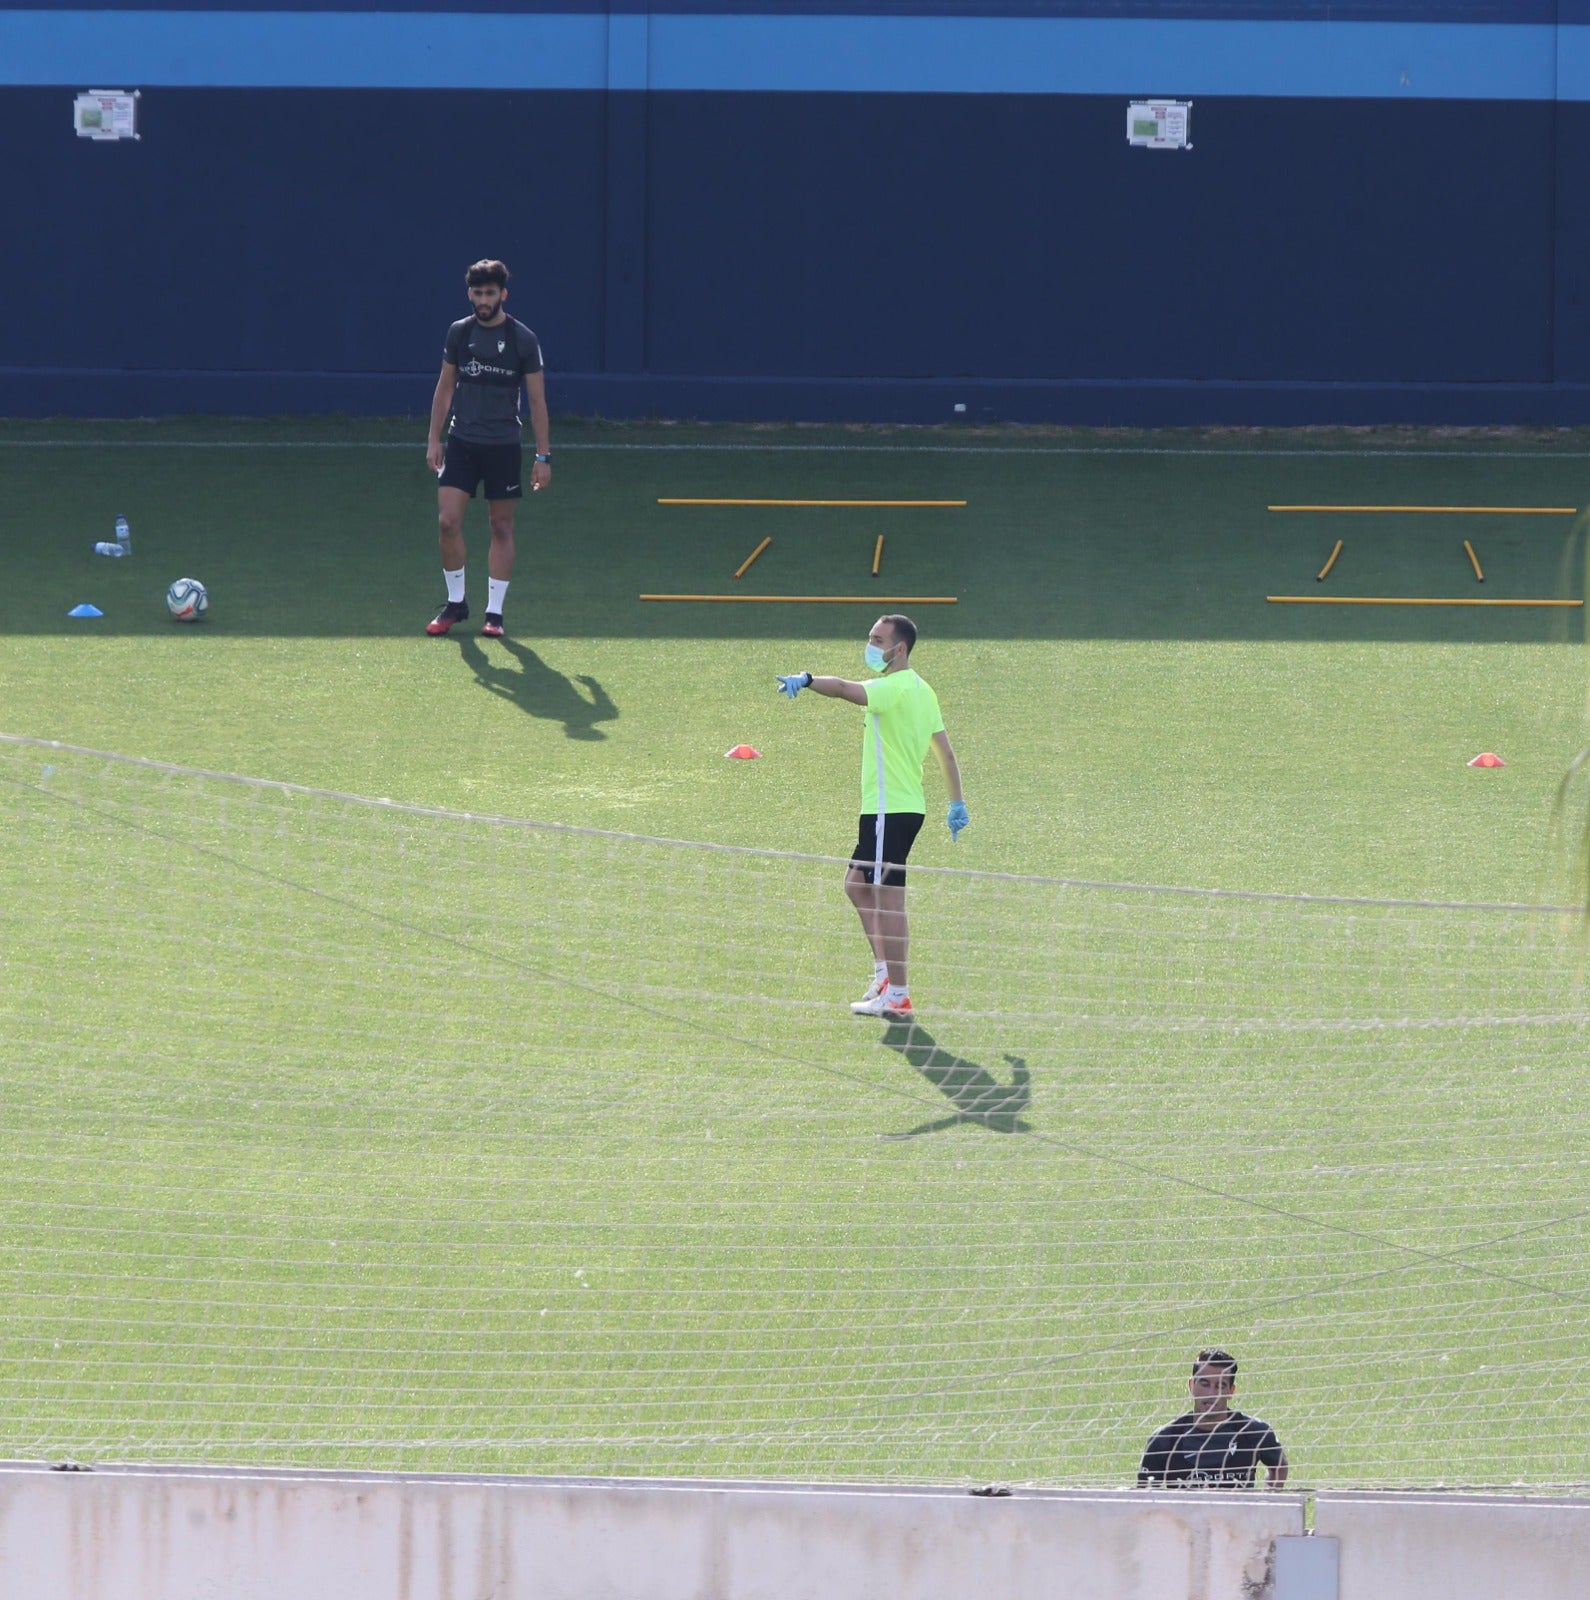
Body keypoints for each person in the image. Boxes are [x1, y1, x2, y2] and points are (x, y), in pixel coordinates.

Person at [777, 614, 967, 1021]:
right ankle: (885, 974)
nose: (870, 645)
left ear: (898, 650)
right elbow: (946, 753)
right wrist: (956, 803)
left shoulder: (891, 688)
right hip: (898, 809)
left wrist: (808, 679)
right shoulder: (923, 691)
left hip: (889, 810)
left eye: (877, 639)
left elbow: (846, 689)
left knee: (888, 900)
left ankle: (898, 995)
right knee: (856, 886)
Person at [424, 259, 551, 639]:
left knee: (501, 525)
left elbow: (537, 401)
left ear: (503, 295)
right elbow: (445, 388)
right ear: (469, 294)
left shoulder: (523, 340)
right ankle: (456, 603)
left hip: (503, 445)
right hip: (462, 441)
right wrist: (434, 438)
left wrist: (542, 457)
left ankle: (494, 614)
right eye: (477, 293)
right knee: (447, 522)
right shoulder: (459, 334)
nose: (483, 300)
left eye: (490, 293)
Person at [1138, 1349, 1289, 1489]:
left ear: (1231, 1391)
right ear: (1191, 1385)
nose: (1211, 1394)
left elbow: (1279, 1466)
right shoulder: (1165, 1439)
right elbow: (1145, 1496)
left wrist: (1268, 1500)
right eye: (1205, 1384)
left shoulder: (1254, 1433)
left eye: (1220, 1386)